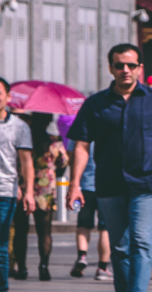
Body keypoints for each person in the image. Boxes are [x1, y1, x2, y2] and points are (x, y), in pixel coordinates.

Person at [66, 43, 152, 292]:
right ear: (111, 68)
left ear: (140, 68)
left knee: (141, 241)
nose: (125, 70)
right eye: (119, 65)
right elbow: (81, 146)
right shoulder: (96, 104)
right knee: (119, 246)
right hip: (109, 183)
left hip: (147, 182)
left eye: (131, 65)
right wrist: (74, 184)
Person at [12, 113, 68, 282]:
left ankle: (22, 267)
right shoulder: (54, 142)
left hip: (23, 187)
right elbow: (63, 163)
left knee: (20, 230)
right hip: (44, 190)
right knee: (44, 232)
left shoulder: (23, 140)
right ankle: (44, 267)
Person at [59, 113, 112, 281]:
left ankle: (82, 256)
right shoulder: (109, 132)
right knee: (105, 229)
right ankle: (102, 268)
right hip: (106, 187)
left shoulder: (80, 132)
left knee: (83, 225)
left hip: (83, 187)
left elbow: (70, 157)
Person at [0, 78, 35, 291]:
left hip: (3, 193)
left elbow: (26, 162)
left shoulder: (19, 127)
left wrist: (29, 192)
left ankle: (0, 287)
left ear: (8, 97)